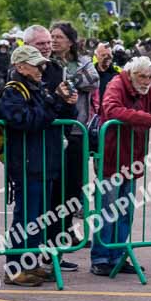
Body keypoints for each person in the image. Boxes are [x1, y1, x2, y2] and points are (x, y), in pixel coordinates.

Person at [90, 57, 151, 276]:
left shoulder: (147, 90)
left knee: (125, 211)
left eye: (149, 77)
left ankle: (118, 256)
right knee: (108, 210)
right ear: (131, 74)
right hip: (111, 157)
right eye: (142, 76)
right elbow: (112, 110)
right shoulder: (117, 84)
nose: (147, 81)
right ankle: (100, 257)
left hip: (132, 158)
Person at [0, 46, 78, 286]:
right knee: (25, 218)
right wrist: (53, 102)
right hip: (27, 163)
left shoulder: (38, 88)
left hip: (44, 161)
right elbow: (27, 121)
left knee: (39, 219)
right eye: (35, 64)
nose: (41, 68)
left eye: (41, 64)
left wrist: (67, 101)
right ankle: (15, 268)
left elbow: (59, 117)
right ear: (21, 67)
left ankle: (30, 264)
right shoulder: (13, 91)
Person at [50, 22, 98, 269]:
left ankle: (64, 240)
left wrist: (67, 82)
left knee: (72, 191)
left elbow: (93, 80)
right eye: (52, 36)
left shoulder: (83, 61)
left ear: (70, 40)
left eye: (59, 37)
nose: (54, 40)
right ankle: (52, 252)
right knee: (54, 194)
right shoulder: (46, 62)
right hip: (55, 134)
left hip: (77, 132)